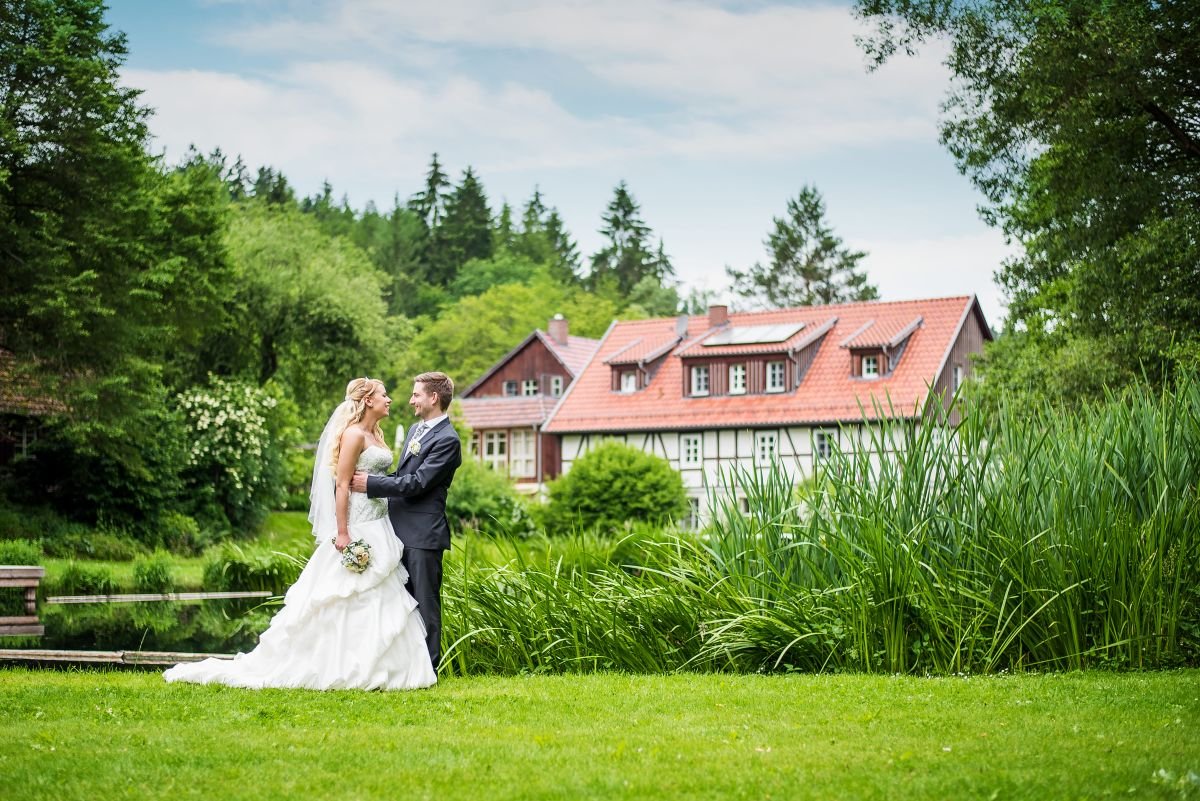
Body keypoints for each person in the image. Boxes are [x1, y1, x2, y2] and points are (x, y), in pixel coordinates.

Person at [163, 378, 436, 691]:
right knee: (345, 594)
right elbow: (342, 484)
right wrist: (343, 532)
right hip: (358, 524)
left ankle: (386, 667)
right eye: (383, 395)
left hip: (380, 524)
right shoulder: (352, 434)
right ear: (367, 401)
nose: (389, 400)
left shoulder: (376, 434)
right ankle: (337, 666)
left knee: (380, 595)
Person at [350, 371, 461, 669]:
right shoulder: (414, 430)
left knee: (425, 603)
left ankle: (429, 669)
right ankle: (403, 667)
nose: (411, 400)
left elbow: (418, 483)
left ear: (433, 398)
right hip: (395, 529)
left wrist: (371, 484)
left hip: (423, 535)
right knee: (400, 603)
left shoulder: (448, 440)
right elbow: (401, 476)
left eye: (416, 394)